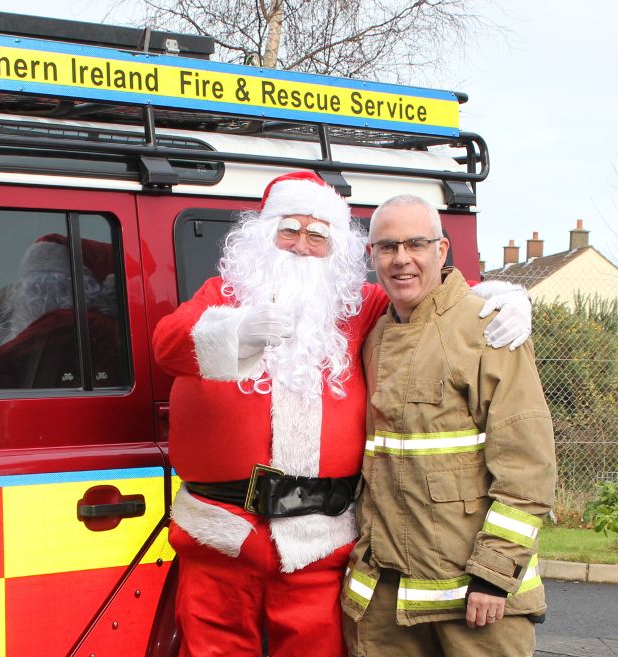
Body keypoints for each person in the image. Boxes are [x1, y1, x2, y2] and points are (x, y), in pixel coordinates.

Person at [151, 172, 533, 657]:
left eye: (317, 235)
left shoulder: (359, 306)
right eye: (289, 230)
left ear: (339, 249)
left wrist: (500, 296)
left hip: (317, 538)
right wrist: (237, 331)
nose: (302, 246)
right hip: (222, 534)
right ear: (263, 236)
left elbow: (428, 294)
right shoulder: (223, 296)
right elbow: (167, 343)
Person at [341, 194, 556, 657]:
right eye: (388, 247)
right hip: (385, 602)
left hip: (474, 602)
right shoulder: (374, 336)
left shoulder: (488, 330)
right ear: (371, 257)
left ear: (441, 251)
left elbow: (527, 469)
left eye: (416, 244)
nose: (402, 259)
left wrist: (494, 573)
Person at [0, 234, 122, 390]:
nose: (32, 297)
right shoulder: (104, 326)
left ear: (72, 287)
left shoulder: (74, 323)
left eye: (42, 285)